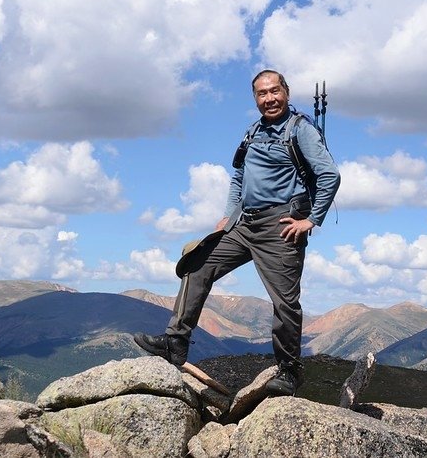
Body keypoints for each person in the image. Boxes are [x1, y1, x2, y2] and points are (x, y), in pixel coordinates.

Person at [134, 69, 341, 396]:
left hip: (281, 226)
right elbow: (238, 177)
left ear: (286, 92)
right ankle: (176, 342)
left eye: (275, 91)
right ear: (255, 98)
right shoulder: (252, 132)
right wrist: (227, 217)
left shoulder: (300, 130)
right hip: (244, 223)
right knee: (197, 262)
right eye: (262, 93)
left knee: (285, 303)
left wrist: (311, 220)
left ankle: (289, 372)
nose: (269, 98)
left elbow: (329, 175)